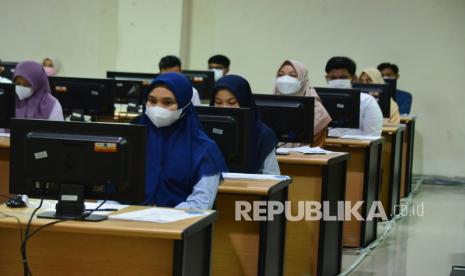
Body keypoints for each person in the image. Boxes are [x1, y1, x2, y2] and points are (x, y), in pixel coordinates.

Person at [133, 72, 227, 209]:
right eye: (152, 101)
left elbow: (200, 203)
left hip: (176, 225)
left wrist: (160, 216)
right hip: (126, 220)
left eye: (167, 102)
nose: (158, 108)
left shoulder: (204, 148)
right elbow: (113, 190)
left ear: (183, 106)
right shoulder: (133, 139)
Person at [211, 75, 280, 175]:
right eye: (218, 102)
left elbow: (272, 176)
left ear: (244, 102)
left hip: (250, 188)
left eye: (232, 102)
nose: (224, 108)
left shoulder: (262, 133)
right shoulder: (204, 129)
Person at [273, 59, 332, 146]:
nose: (285, 79)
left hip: (303, 158)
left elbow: (315, 147)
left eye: (292, 75)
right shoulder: (271, 104)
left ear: (303, 80)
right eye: (280, 75)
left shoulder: (316, 110)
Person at [325, 57, 383, 137]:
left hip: (357, 148)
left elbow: (373, 137)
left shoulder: (367, 101)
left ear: (354, 79)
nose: (338, 81)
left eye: (343, 77)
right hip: (324, 147)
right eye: (333, 78)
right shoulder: (319, 101)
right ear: (327, 78)